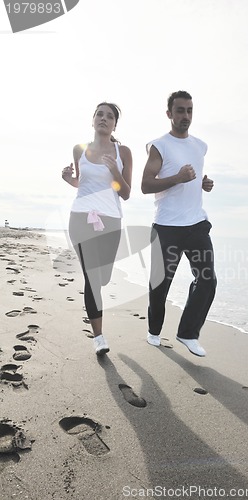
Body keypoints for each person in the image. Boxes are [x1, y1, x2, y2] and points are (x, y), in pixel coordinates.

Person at [141, 90, 217, 357]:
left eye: (189, 110)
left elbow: (193, 179)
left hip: (196, 223)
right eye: (181, 110)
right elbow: (145, 185)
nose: (186, 116)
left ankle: (187, 333)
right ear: (169, 114)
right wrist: (178, 177)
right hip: (167, 226)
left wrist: (203, 183)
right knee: (160, 285)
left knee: (207, 280)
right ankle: (153, 331)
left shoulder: (200, 146)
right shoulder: (159, 145)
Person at [62, 102, 132, 355]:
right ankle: (99, 337)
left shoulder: (122, 152)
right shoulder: (79, 149)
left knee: (103, 277)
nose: (104, 118)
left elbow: (125, 193)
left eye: (110, 116)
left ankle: (100, 290)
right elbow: (84, 183)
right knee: (92, 278)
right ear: (92, 120)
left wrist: (115, 171)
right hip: (80, 217)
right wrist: (70, 180)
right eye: (100, 114)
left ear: (114, 124)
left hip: (110, 219)